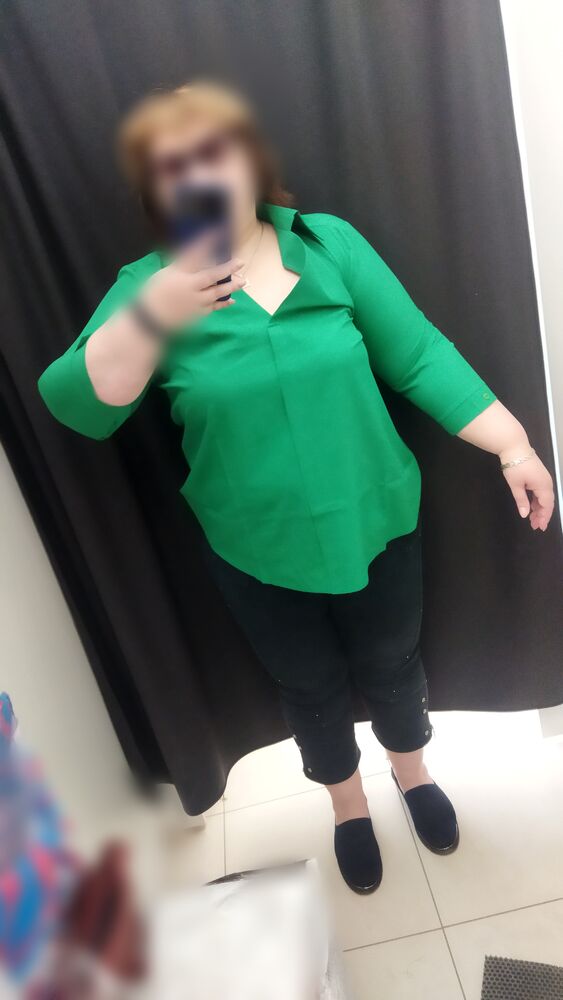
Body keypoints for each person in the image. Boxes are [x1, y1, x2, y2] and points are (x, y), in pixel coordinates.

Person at [38, 81, 555, 894]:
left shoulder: (327, 244)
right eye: (175, 164)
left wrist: (512, 444)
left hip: (377, 520)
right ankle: (348, 807)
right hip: (254, 547)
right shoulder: (150, 286)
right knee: (308, 686)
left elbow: (417, 355)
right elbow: (79, 407)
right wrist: (150, 315)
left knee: (393, 663)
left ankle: (412, 774)